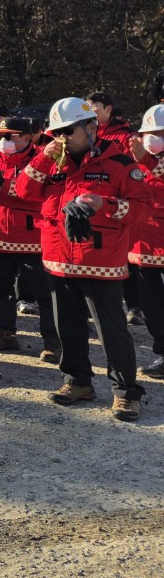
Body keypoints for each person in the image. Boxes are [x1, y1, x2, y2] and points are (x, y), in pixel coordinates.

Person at [14, 97, 149, 420]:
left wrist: (104, 204)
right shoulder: (52, 162)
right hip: (59, 260)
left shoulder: (119, 163)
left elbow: (143, 210)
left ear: (91, 127)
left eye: (68, 130)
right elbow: (23, 191)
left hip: (102, 262)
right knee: (68, 327)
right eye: (56, 132)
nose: (61, 137)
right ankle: (77, 380)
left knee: (112, 331)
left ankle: (125, 391)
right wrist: (43, 161)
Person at [0, 116, 56, 357]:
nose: (2, 141)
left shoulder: (43, 160)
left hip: (32, 238)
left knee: (44, 294)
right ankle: (6, 334)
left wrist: (3, 187)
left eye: (9, 136)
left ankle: (52, 341)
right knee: (0, 291)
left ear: (26, 137)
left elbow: (39, 193)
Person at [128, 104, 164, 378]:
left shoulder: (145, 161)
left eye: (159, 133)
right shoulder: (135, 159)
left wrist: (147, 163)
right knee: (152, 305)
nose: (152, 138)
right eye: (148, 133)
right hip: (144, 244)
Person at [87, 91, 134, 155]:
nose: (89, 110)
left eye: (93, 106)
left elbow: (130, 162)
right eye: (87, 106)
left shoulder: (126, 135)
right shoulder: (83, 131)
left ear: (108, 109)